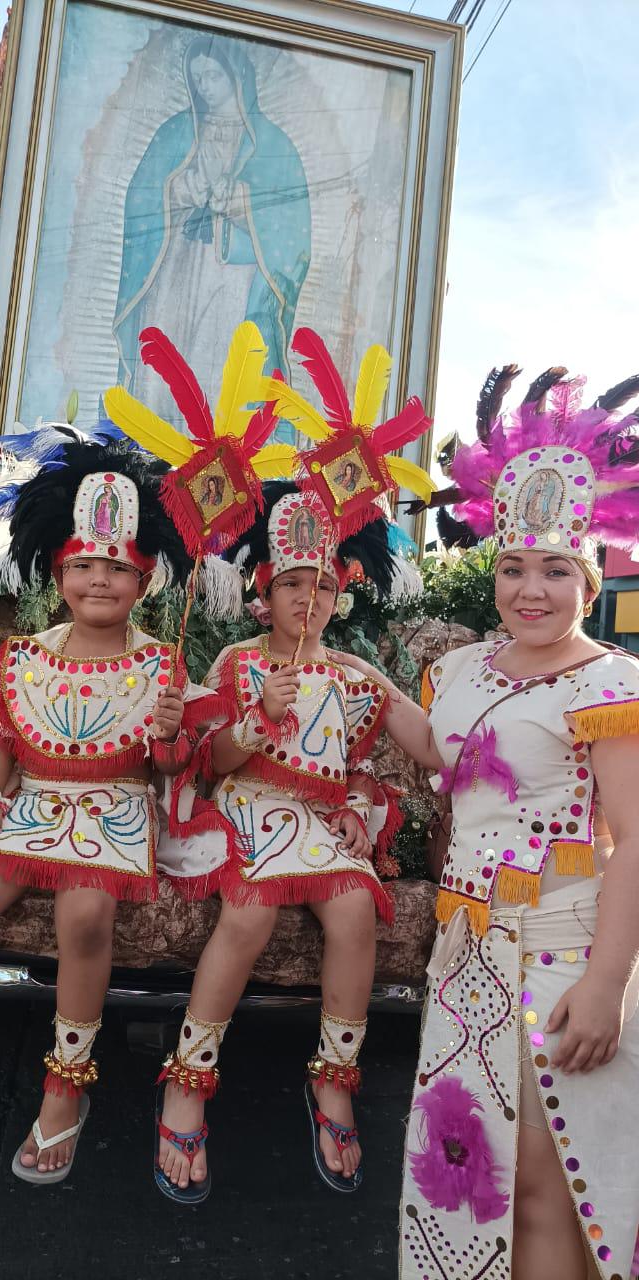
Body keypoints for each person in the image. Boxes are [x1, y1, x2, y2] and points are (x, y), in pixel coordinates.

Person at [352, 372, 639, 1279]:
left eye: (556, 570)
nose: (531, 590)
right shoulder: (466, 669)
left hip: (560, 953)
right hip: (463, 957)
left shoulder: (611, 685)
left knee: (555, 1193)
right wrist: (359, 681)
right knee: (476, 1190)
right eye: (514, 567)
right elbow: (450, 762)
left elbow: (633, 840)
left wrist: (605, 987)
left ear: (588, 578)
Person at [0, 435, 225, 1183]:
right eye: (84, 565)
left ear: (145, 579)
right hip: (34, 805)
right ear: (59, 574)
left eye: (117, 567)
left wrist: (168, 733)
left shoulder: (162, 663)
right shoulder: (21, 656)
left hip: (117, 814)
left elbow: (170, 769)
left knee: (85, 915)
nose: (99, 579)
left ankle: (66, 1082)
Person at [152, 482, 419, 1203]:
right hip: (249, 809)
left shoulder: (352, 677)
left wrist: (362, 808)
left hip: (319, 820)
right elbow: (210, 762)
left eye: (324, 585)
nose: (309, 598)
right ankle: (188, 1078)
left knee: (356, 911)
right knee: (250, 913)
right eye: (292, 583)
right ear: (262, 594)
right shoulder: (238, 664)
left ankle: (334, 1079)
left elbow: (360, 765)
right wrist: (259, 717)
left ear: (342, 596)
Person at [113, 33, 311, 444]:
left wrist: (240, 200)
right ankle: (158, 451)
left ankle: (219, 453)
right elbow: (142, 195)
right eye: (197, 77)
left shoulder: (272, 145)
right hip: (178, 270)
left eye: (213, 76)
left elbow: (292, 226)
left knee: (221, 364)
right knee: (167, 362)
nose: (204, 86)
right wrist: (180, 189)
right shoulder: (175, 133)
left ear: (236, 76)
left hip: (233, 281)